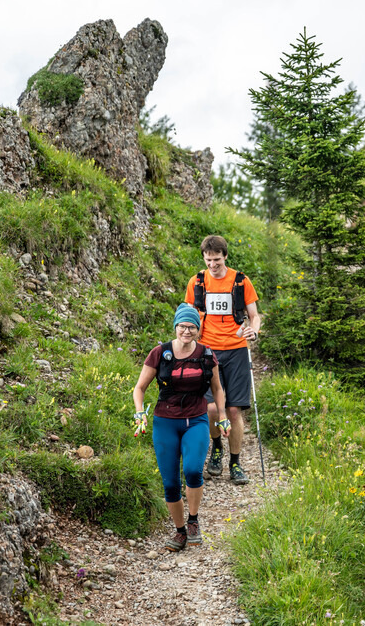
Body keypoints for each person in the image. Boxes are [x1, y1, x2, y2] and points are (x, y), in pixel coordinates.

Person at [131, 303, 231, 551]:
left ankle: (193, 520)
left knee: (193, 470)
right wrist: (139, 412)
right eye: (182, 326)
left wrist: (222, 416)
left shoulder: (207, 355)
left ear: (198, 329)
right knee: (170, 483)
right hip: (165, 422)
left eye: (191, 327)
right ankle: (179, 532)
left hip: (196, 420)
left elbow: (217, 388)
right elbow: (139, 388)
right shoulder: (160, 353)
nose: (186, 331)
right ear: (175, 327)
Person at [184, 234, 261, 485]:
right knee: (210, 408)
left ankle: (235, 462)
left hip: (237, 349)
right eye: (208, 260)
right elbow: (188, 315)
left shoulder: (240, 281)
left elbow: (254, 315)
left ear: (225, 256)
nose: (212, 265)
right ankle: (217, 448)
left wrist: (254, 331)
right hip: (207, 351)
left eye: (217, 259)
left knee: (234, 410)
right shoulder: (197, 282)